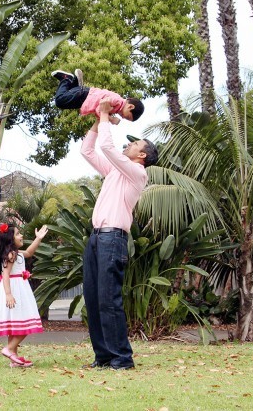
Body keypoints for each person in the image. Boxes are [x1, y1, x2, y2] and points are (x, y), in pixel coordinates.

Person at [80, 98, 158, 370]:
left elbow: (106, 145)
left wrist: (104, 116)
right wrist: (95, 120)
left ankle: (122, 358)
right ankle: (103, 356)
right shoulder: (116, 171)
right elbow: (88, 151)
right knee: (93, 299)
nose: (129, 145)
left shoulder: (137, 172)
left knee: (108, 299)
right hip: (97, 238)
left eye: (135, 144)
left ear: (142, 156)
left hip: (113, 239)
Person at [0, 223, 48, 367]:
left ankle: (13, 358)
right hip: (14, 290)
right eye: (17, 234)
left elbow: (29, 252)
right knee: (26, 322)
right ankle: (9, 349)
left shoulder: (15, 253)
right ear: (9, 239)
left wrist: (38, 238)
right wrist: (9, 294)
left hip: (18, 288)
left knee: (15, 324)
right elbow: (5, 275)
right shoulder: (11, 255)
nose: (21, 235)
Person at [51, 69, 145, 125]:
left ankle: (75, 83)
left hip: (84, 98)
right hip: (84, 96)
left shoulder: (116, 105)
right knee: (60, 101)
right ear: (130, 106)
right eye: (127, 116)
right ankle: (66, 79)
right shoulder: (117, 101)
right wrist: (110, 119)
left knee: (68, 99)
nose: (123, 118)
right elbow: (99, 108)